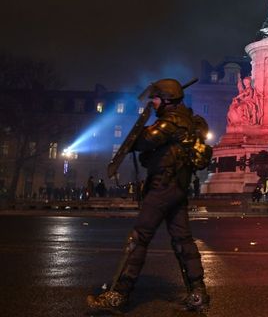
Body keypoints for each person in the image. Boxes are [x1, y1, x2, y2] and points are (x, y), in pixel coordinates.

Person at [86, 78, 210, 313]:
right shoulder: (188, 121)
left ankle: (119, 295)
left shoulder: (170, 122)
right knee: (183, 240)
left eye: (155, 99)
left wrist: (140, 129)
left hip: (163, 187)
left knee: (138, 238)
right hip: (177, 188)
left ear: (166, 100)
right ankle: (198, 292)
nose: (152, 104)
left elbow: (141, 141)